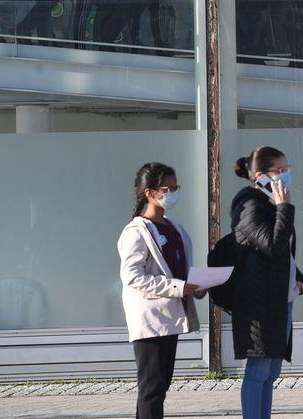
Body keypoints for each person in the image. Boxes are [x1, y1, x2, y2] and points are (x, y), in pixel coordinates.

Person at [117, 162, 203, 419]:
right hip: (150, 320)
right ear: (149, 192)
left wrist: (195, 286)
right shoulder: (136, 231)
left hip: (171, 318)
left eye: (177, 188)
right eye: (168, 188)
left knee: (159, 387)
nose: (173, 193)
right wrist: (178, 287)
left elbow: (179, 269)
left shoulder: (176, 229)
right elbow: (132, 276)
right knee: (151, 388)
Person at [232, 146, 303, 419]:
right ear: (262, 176)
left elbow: (284, 254)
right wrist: (284, 208)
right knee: (259, 370)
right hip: (260, 302)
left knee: (271, 371)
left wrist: (299, 280)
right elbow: (271, 246)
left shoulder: (270, 205)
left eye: (288, 169)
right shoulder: (250, 205)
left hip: (279, 298)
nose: (286, 176)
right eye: (281, 170)